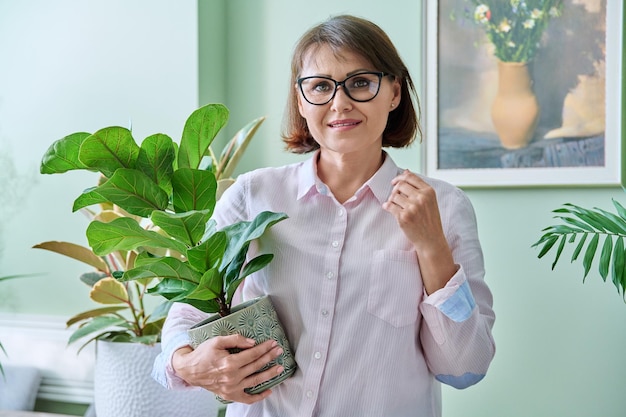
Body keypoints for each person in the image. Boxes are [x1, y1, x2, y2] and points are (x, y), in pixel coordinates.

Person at [152, 14, 495, 417]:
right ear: (301, 100)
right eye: (320, 86)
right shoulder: (251, 196)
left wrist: (432, 247)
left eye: (361, 83)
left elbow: (464, 369)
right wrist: (188, 364)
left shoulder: (444, 206)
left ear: (394, 93)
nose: (340, 103)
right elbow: (188, 316)